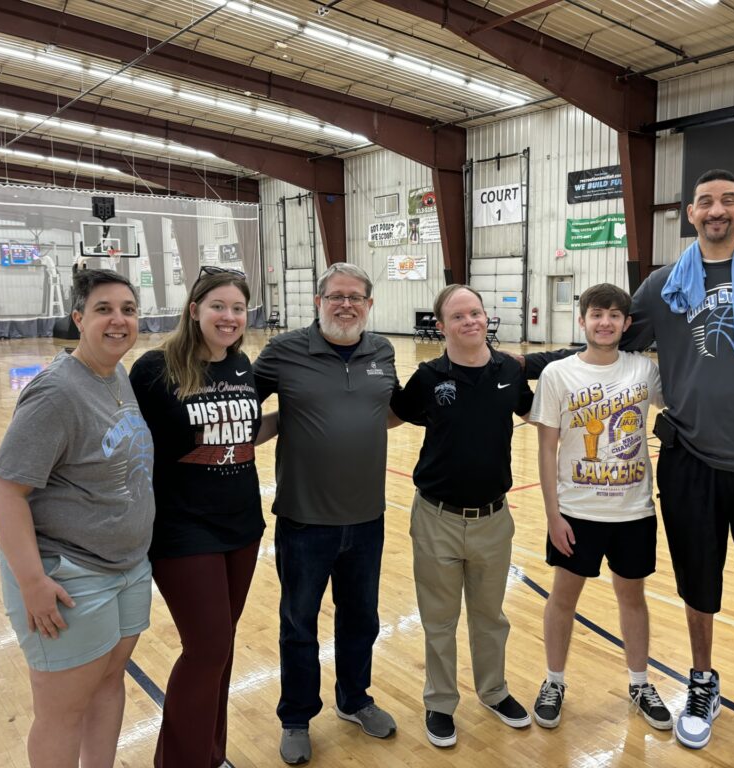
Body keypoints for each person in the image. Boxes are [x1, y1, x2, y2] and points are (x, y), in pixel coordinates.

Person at [529, 169, 734, 768]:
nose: (715, 211)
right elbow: (610, 334)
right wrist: (524, 365)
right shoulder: (665, 283)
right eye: (704, 203)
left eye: (726, 201)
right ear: (689, 215)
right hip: (691, 461)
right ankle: (701, 683)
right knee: (699, 584)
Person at [0, 268, 154, 768]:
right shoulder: (56, 392)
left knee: (108, 684)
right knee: (62, 711)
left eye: (127, 310)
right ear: (79, 318)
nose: (118, 320)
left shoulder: (118, 375)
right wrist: (32, 582)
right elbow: (5, 491)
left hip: (126, 568)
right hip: (70, 576)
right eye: (104, 309)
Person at [129, 266, 278, 768]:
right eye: (219, 306)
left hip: (242, 526)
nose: (230, 316)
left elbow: (243, 433)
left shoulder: (242, 367)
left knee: (221, 648)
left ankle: (208, 753)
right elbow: (131, 445)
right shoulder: (154, 369)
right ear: (195, 310)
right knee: (208, 647)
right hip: (181, 529)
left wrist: (304, 412)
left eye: (238, 308)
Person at [253, 263, 399, 765]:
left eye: (355, 297)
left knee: (361, 619)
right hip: (303, 520)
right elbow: (240, 408)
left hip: (367, 518)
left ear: (369, 304)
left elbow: (391, 409)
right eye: (336, 296)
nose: (345, 305)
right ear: (319, 302)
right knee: (299, 624)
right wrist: (280, 423)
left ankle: (355, 699)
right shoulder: (283, 351)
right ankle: (296, 716)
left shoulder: (382, 351)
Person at [390, 284, 534, 748]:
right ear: (442, 325)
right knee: (439, 619)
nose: (470, 321)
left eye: (475, 312)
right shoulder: (429, 377)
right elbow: (394, 414)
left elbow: (536, 412)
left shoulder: (509, 371)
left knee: (490, 616)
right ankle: (440, 702)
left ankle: (493, 691)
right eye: (458, 316)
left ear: (485, 316)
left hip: (495, 518)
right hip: (437, 517)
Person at [528, 282, 671, 734]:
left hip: (634, 512)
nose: (605, 322)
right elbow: (546, 451)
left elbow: (685, 400)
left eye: (614, 315)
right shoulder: (557, 375)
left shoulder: (644, 372)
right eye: (596, 314)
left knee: (633, 598)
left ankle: (640, 682)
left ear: (627, 324)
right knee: (563, 598)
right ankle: (554, 681)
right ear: (582, 320)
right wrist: (553, 515)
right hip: (576, 512)